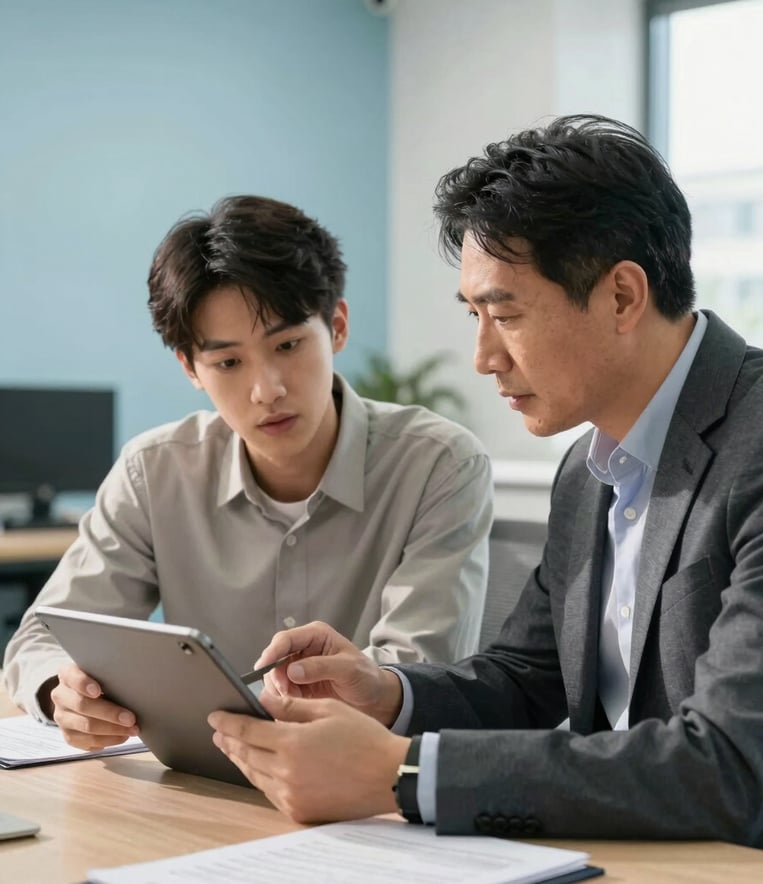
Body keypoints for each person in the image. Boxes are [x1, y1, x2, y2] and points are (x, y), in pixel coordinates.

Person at [205, 116, 763, 848]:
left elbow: (732, 764)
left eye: (505, 314)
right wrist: (385, 694)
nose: (483, 357)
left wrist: (406, 774)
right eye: (475, 314)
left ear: (623, 297)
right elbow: (527, 677)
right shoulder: (588, 468)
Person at [3, 195, 493, 749]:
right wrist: (63, 692)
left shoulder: (438, 466)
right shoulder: (154, 471)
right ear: (190, 367)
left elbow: (420, 677)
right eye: (228, 362)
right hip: (203, 775)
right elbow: (41, 637)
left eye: (288, 345)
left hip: (360, 780)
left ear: (336, 327)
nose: (267, 390)